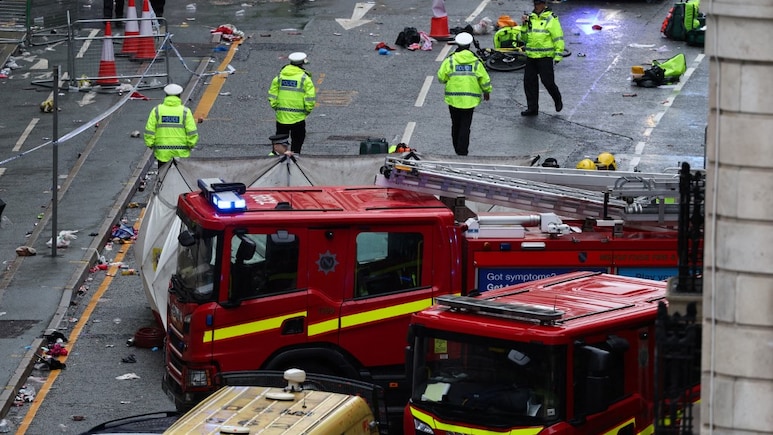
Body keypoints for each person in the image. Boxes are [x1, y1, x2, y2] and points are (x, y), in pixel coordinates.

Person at [437, 32, 492, 156]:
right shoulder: (476, 61)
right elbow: (485, 79)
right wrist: (486, 92)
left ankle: (457, 148)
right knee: (465, 126)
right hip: (470, 100)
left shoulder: (450, 60)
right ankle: (462, 152)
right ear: (469, 46)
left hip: (453, 99)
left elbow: (441, 78)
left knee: (455, 124)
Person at [520, 0, 565, 116]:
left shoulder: (551, 18)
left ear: (544, 5)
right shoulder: (530, 18)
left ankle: (557, 99)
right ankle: (532, 108)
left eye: (539, 4)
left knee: (548, 81)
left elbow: (558, 37)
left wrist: (558, 54)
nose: (537, 6)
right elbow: (523, 38)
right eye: (535, 4)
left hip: (545, 57)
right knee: (529, 82)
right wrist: (524, 25)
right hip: (531, 56)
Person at [268, 52, 316, 154]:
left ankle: (274, 162)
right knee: (297, 143)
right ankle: (294, 161)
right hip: (298, 118)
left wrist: (277, 107)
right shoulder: (305, 78)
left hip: (281, 116)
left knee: (279, 143)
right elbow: (310, 99)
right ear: (302, 64)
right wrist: (306, 111)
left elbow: (272, 94)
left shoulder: (280, 76)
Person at [144, 84, 199, 169]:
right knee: (180, 178)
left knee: (163, 178)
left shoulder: (157, 110)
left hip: (162, 152)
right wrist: (190, 145)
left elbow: (149, 130)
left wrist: (151, 144)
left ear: (166, 95)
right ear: (179, 96)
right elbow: (192, 132)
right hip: (181, 152)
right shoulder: (185, 111)